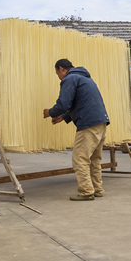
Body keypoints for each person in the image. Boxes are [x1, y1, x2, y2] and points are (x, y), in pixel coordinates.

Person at [43, 59, 110, 201]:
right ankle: (97, 189)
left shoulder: (70, 78)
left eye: (57, 74)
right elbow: (81, 103)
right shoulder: (85, 78)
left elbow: (64, 103)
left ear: (62, 69)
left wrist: (51, 112)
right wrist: (64, 117)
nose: (59, 78)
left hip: (88, 123)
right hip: (100, 122)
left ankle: (86, 192)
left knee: (80, 158)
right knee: (94, 159)